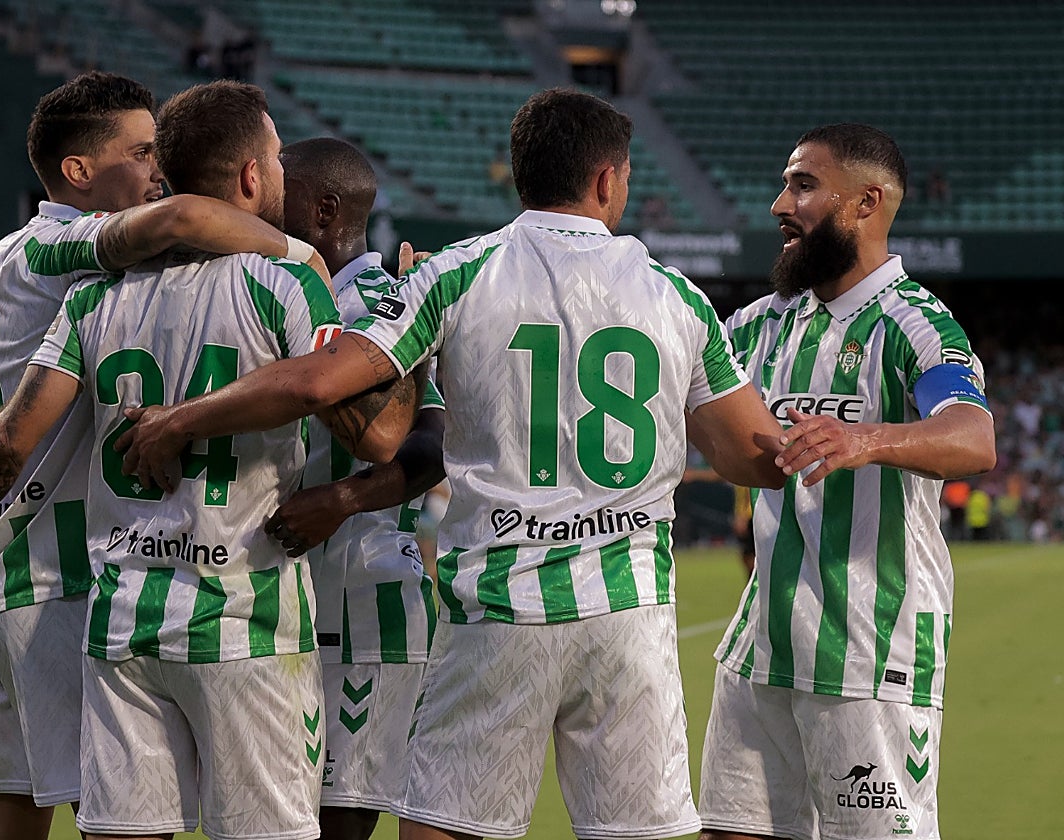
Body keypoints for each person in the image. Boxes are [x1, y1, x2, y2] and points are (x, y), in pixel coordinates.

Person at [117, 86, 803, 840]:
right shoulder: (677, 297)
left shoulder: (457, 273)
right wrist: (848, 439)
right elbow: (753, 457)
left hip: (499, 608)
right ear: (608, 180)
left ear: (521, 173)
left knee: (444, 827)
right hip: (626, 614)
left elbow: (317, 380)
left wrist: (180, 419)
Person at [0, 79, 418, 840]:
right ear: (255, 179)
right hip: (197, 607)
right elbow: (379, 434)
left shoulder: (65, 286)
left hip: (73, 600)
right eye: (138, 151)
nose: (153, 169)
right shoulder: (271, 276)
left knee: (35, 816)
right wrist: (392, 318)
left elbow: (5, 440)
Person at [696, 123, 996, 840]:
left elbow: (974, 436)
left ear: (866, 202)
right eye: (785, 182)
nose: (779, 203)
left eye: (803, 184)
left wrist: (866, 437)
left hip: (870, 653)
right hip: (762, 646)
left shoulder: (916, 323)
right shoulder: (759, 326)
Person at [267, 137, 447, 840]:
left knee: (332, 827)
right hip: (292, 601)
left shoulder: (379, 303)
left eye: (274, 197)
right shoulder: (291, 293)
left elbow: (426, 448)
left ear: (322, 210)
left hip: (363, 608)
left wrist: (340, 502)